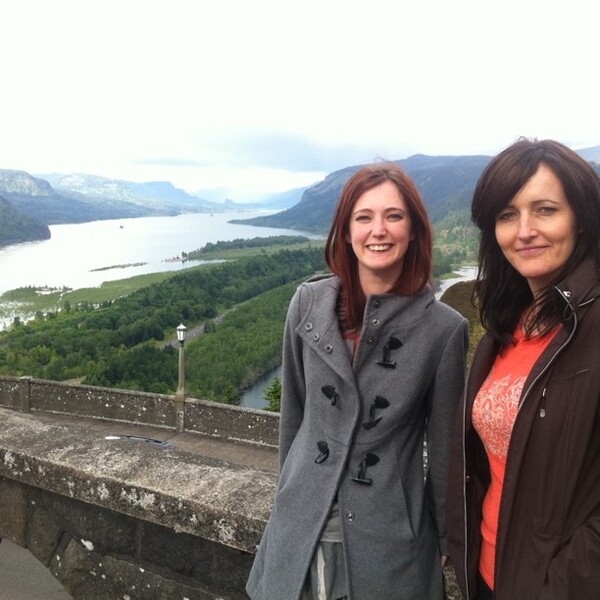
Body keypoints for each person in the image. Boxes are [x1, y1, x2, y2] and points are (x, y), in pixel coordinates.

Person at [246, 162, 469, 600]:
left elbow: (444, 450)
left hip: (388, 537)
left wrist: (444, 538)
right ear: (346, 233)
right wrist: (287, 501)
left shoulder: (444, 330)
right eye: (363, 217)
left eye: (394, 216)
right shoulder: (308, 305)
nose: (378, 230)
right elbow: (293, 417)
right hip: (300, 527)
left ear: (414, 230)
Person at [447, 138, 600, 599]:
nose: (524, 231)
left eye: (546, 210)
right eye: (507, 215)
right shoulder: (508, 324)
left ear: (582, 219)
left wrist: (563, 587)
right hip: (488, 574)